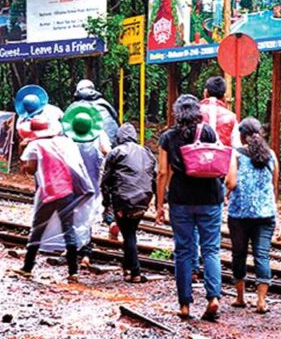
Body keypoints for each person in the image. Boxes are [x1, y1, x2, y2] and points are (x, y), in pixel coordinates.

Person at [155, 94, 224, 322]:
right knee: (211, 249)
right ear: (197, 112)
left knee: (183, 252)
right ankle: (213, 298)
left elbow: (163, 172)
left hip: (181, 199)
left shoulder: (168, 137)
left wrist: (159, 205)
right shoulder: (208, 132)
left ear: (177, 113)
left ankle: (184, 305)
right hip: (210, 196)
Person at [10, 114, 93, 282]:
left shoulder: (35, 145)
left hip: (48, 193)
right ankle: (73, 272)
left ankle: (27, 267)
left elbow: (31, 170)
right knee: (69, 229)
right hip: (68, 190)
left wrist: (22, 153)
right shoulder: (65, 142)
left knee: (37, 229)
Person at [226, 117, 279, 314]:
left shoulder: (236, 155)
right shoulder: (271, 155)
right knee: (262, 255)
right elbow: (274, 184)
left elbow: (231, 183)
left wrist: (225, 186)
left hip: (240, 214)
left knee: (239, 254)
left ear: (241, 136)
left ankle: (240, 297)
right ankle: (261, 301)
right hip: (266, 214)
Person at [100, 123, 156, 282]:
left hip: (123, 200)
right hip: (143, 199)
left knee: (129, 234)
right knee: (129, 232)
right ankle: (127, 268)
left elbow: (106, 181)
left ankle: (136, 272)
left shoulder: (116, 152)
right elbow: (154, 176)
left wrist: (107, 204)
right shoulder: (147, 152)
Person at [62, 103, 111, 269]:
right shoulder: (99, 135)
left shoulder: (67, 137)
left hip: (70, 185)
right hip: (92, 185)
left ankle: (71, 250)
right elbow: (107, 151)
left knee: (71, 217)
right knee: (87, 218)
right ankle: (86, 254)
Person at [200, 76, 241, 148]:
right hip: (223, 158)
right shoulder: (231, 117)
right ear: (224, 97)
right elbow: (236, 146)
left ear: (205, 93)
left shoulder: (195, 113)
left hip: (198, 158)